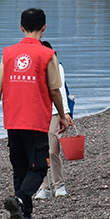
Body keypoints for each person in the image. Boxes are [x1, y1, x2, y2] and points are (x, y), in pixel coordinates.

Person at [0, 8, 71, 219]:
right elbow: (55, 91)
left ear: (21, 27)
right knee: (39, 168)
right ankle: (21, 200)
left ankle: (25, 217)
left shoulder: (8, 53)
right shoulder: (47, 55)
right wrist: (63, 116)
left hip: (13, 120)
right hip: (35, 120)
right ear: (44, 27)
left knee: (20, 167)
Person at [34, 40, 71, 200]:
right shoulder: (33, 68)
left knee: (52, 150)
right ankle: (44, 187)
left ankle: (59, 185)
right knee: (37, 151)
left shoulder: (57, 65)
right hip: (36, 113)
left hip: (54, 113)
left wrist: (66, 113)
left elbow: (60, 89)